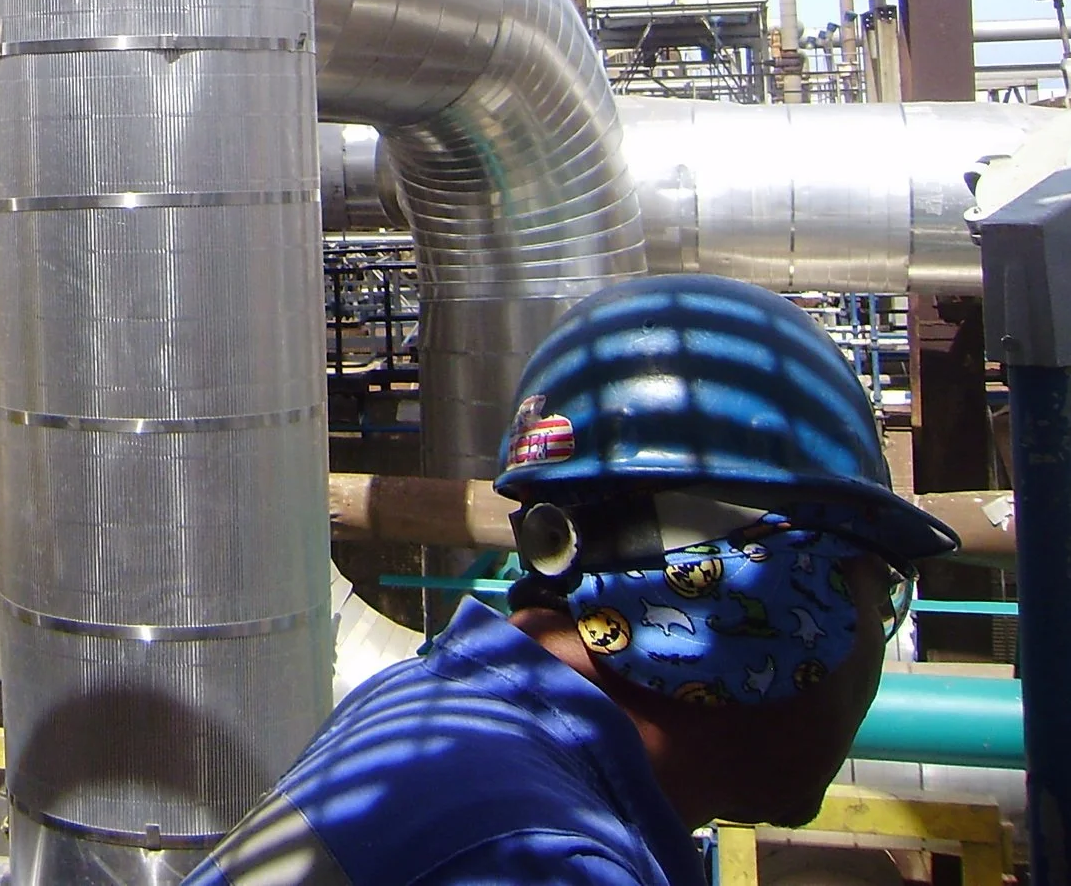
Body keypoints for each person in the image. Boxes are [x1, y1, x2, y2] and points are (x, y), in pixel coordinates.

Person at [190, 275, 956, 886]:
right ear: (768, 580)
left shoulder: (428, 718)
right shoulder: (538, 857)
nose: (875, 640)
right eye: (878, 583)